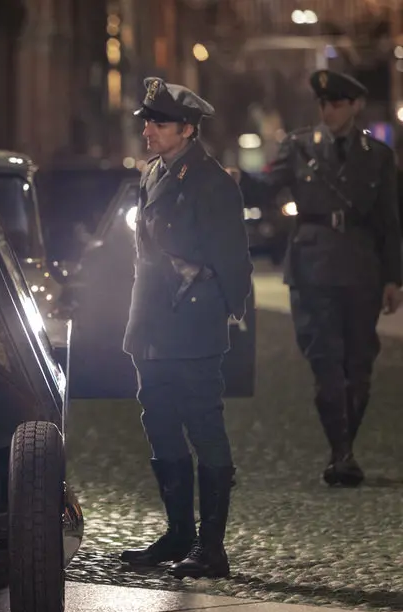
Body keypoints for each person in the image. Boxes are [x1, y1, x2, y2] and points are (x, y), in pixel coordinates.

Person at [233, 70, 403, 487]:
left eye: (337, 104)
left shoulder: (378, 156)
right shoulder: (299, 147)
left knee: (358, 364)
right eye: (324, 104)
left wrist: (393, 278)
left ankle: (345, 446)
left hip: (361, 267)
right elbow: (265, 186)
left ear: (355, 106)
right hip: (312, 265)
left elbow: (389, 221)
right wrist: (235, 179)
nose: (328, 111)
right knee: (325, 360)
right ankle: (341, 453)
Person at [118, 77, 253, 579]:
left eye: (159, 123)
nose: (148, 130)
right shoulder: (153, 173)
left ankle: (211, 548)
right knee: (159, 423)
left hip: (192, 324)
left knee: (203, 426)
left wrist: (222, 310)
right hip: (152, 322)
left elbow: (234, 262)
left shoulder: (211, 182)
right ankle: (179, 533)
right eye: (147, 122)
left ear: (188, 129)